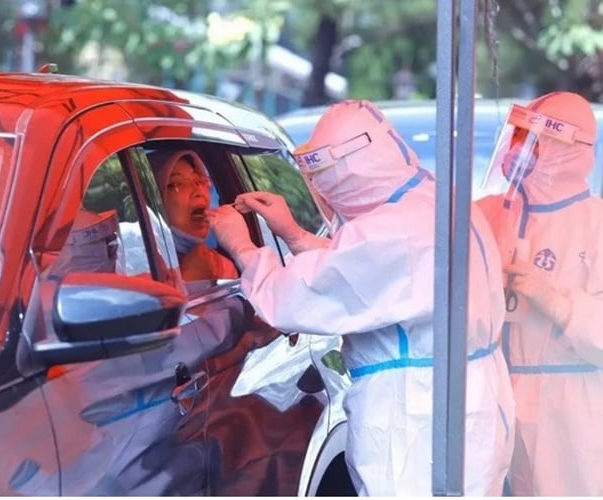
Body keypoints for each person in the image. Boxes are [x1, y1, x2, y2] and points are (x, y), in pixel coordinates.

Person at [208, 99, 515, 496]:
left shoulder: (394, 231)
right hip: (465, 404)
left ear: (347, 170)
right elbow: (367, 277)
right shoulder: (436, 202)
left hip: (414, 418)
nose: (320, 188)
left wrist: (242, 247)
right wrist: (297, 237)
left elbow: (294, 299)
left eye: (321, 176)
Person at [477, 91, 603, 496]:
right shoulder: (487, 215)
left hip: (571, 411)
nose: (517, 151)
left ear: (567, 149)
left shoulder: (596, 224)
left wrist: (559, 304)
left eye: (531, 140)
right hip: (491, 396)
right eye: (515, 136)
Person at [149, 149, 238, 281]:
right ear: (154, 201)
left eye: (200, 181)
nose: (199, 191)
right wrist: (191, 280)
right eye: (179, 183)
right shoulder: (137, 266)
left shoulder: (222, 267)